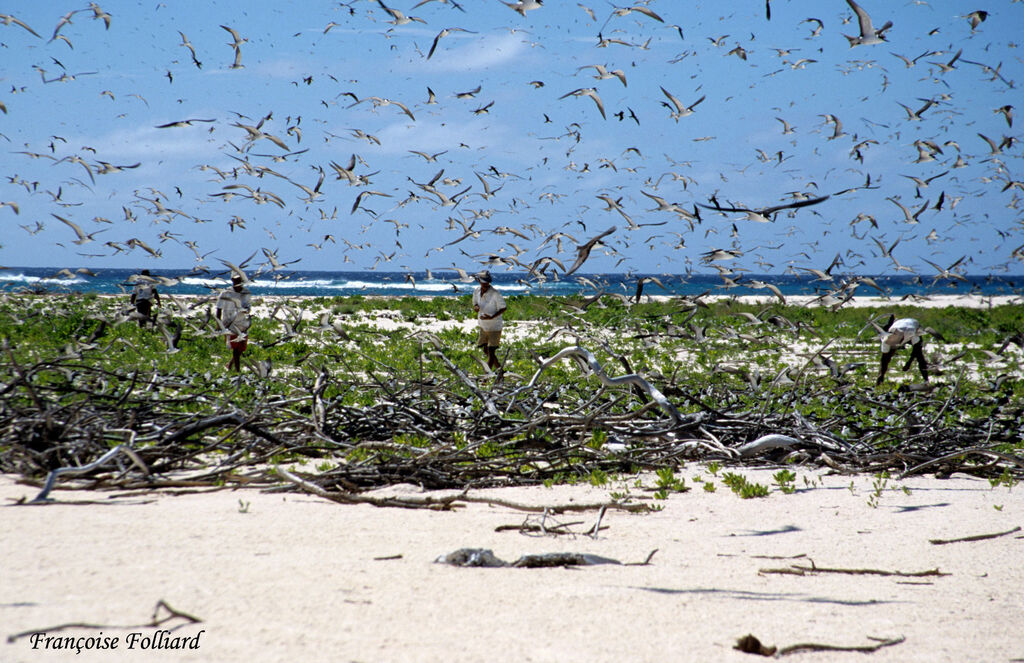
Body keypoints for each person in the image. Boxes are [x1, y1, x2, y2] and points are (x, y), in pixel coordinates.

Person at [876, 316, 928, 385]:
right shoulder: (886, 341)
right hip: (899, 325)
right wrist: (881, 375)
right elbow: (884, 359)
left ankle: (926, 380)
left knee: (920, 357)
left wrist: (909, 363)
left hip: (913, 326)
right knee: (886, 358)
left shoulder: (911, 332)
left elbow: (916, 350)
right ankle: (879, 381)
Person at [216, 275, 252, 372]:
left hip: (242, 323)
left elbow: (248, 307)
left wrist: (246, 311)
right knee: (235, 349)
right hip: (229, 324)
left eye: (239, 281)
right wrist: (218, 323)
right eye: (236, 281)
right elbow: (218, 308)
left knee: (241, 349)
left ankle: (230, 364)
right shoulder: (226, 293)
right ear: (232, 281)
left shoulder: (246, 293)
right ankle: (237, 372)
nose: (237, 283)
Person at [472, 270, 506, 371]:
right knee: (485, 349)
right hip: (483, 325)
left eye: (487, 284)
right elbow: (475, 303)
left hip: (494, 326)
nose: (486, 286)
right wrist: (476, 307)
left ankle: (486, 376)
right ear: (479, 281)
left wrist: (491, 317)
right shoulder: (476, 291)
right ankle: (500, 371)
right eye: (484, 284)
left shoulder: (495, 294)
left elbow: (503, 308)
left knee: (491, 352)